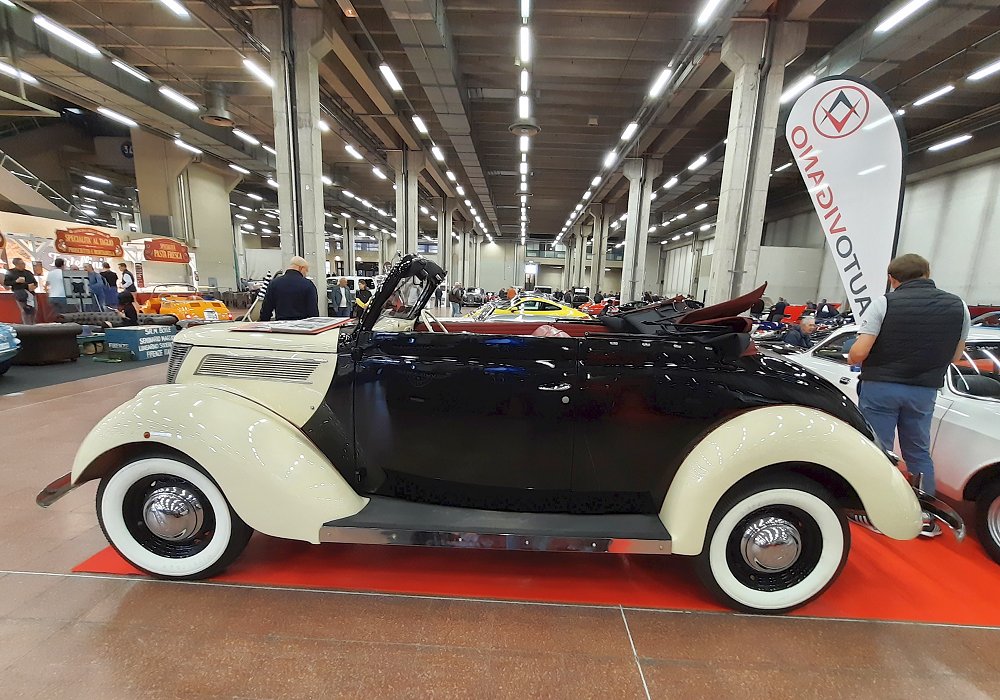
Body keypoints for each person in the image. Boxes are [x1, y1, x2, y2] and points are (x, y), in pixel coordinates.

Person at [848, 253, 970, 536]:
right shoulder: (959, 307)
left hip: (880, 388)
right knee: (918, 451)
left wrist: (852, 356)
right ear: (928, 273)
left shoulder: (884, 303)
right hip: (924, 390)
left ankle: (877, 514)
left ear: (892, 279)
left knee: (879, 450)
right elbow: (955, 356)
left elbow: (859, 352)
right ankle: (925, 516)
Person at [259, 257, 320, 321]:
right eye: (306, 270)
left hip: (281, 324)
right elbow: (313, 311)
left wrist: (264, 322)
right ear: (301, 268)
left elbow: (266, 309)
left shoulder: (274, 283)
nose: (306, 274)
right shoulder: (308, 284)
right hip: (302, 325)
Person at [3, 258, 38, 324]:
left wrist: (35, 286)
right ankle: (26, 325)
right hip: (20, 293)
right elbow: (6, 283)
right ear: (16, 264)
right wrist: (16, 281)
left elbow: (35, 282)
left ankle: (32, 323)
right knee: (24, 310)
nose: (24, 264)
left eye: (23, 263)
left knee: (34, 309)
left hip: (31, 293)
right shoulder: (10, 272)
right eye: (22, 263)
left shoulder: (28, 272)